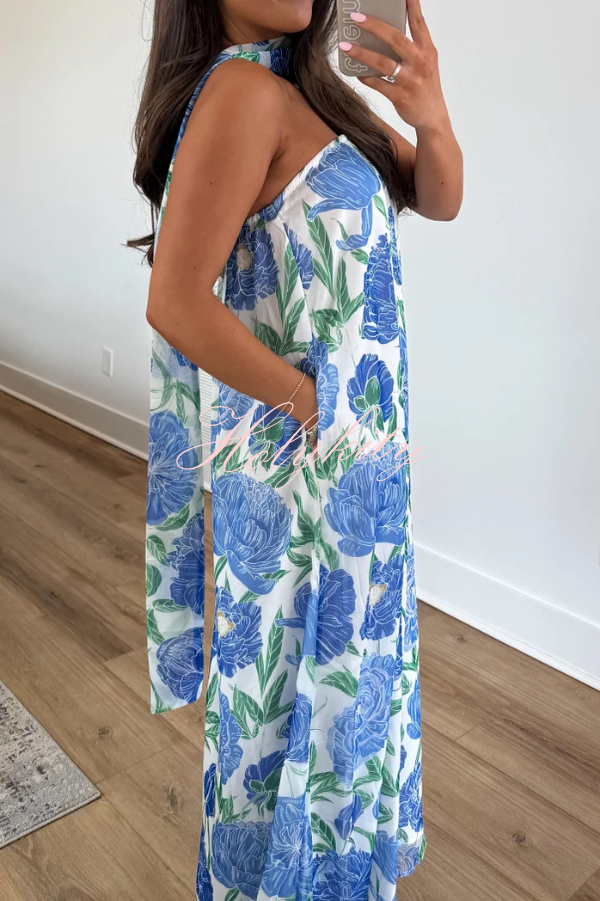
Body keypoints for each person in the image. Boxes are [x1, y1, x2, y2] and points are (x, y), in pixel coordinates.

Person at [129, 0, 462, 898]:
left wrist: (430, 114)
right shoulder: (241, 92)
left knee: (332, 704)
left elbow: (439, 197)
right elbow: (175, 300)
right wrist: (320, 410)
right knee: (292, 711)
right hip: (307, 478)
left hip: (355, 474)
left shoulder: (305, 92)